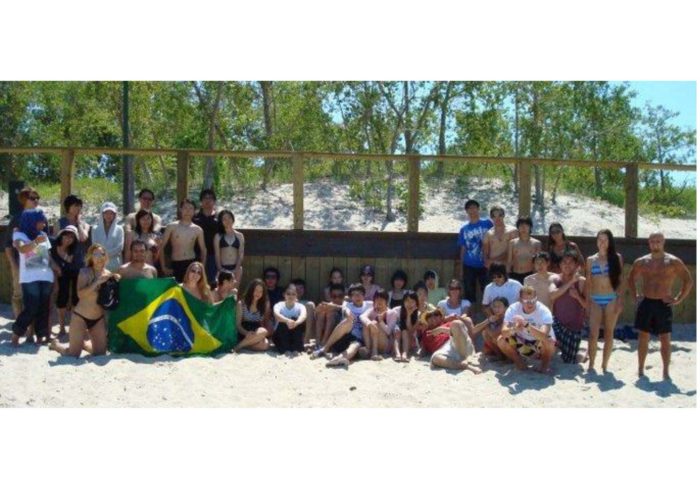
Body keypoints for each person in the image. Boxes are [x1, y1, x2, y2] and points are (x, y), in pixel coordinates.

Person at [628, 232, 694, 380]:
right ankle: (640, 369)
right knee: (643, 337)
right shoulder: (642, 261)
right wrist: (635, 295)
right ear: (649, 243)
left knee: (665, 338)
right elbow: (631, 278)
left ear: (663, 242)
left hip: (663, 304)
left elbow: (688, 280)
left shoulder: (673, 261)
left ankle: (665, 371)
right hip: (646, 302)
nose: (655, 244)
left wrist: (678, 299)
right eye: (652, 241)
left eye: (658, 241)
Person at [49, 244, 116, 357]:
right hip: (81, 317)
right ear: (90, 257)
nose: (99, 257)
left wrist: (116, 280)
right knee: (73, 354)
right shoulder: (84, 272)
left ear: (106, 256)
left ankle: (84, 344)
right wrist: (96, 282)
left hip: (98, 318)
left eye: (102, 254)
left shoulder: (108, 274)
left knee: (100, 353)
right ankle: (56, 345)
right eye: (95, 254)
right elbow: (80, 295)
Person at [11, 209, 54, 346]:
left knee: (43, 308)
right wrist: (35, 242)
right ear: (32, 221)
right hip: (29, 278)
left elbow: (48, 255)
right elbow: (22, 249)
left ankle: (41, 336)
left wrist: (56, 268)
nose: (44, 224)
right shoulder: (18, 234)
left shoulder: (43, 234)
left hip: (46, 276)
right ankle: (16, 333)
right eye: (41, 221)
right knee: (31, 308)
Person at [585, 229, 625, 373]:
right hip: (595, 299)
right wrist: (587, 303)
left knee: (609, 333)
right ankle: (591, 364)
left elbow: (620, 281)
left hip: (611, 298)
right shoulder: (590, 260)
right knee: (593, 334)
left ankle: (604, 365)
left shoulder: (616, 258)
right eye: (600, 239)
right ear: (596, 241)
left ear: (610, 241)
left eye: (605, 240)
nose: (602, 242)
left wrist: (620, 300)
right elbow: (588, 283)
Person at [310, 283, 372, 367]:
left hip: (359, 338)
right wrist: (348, 314)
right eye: (354, 294)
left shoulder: (370, 305)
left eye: (359, 294)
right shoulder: (347, 305)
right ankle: (325, 348)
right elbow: (345, 310)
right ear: (350, 297)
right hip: (344, 335)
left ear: (364, 295)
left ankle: (338, 359)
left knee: (355, 346)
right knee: (348, 321)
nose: (357, 297)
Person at [497, 285, 556, 373]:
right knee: (501, 340)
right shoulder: (513, 309)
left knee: (550, 341)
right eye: (526, 301)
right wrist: (514, 329)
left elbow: (544, 335)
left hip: (540, 346)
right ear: (520, 300)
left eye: (533, 300)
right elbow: (504, 332)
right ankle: (520, 363)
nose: (530, 303)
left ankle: (544, 366)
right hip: (522, 343)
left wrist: (526, 325)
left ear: (536, 298)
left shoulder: (544, 311)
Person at [4, 186, 40, 320]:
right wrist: (14, 265)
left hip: (38, 263)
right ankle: (19, 324)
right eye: (32, 198)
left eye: (37, 198)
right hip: (20, 264)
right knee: (18, 295)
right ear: (24, 200)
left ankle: (31, 325)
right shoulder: (17, 219)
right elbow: (8, 244)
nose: (36, 200)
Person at [550, 251, 587, 364]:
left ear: (576, 265)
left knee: (569, 360)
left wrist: (577, 297)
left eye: (571, 262)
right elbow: (552, 295)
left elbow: (587, 305)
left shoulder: (582, 281)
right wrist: (571, 282)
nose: (567, 265)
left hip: (574, 327)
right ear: (560, 265)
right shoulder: (555, 279)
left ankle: (583, 352)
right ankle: (558, 345)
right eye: (564, 262)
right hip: (557, 324)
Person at [160, 199, 207, 283]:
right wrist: (163, 267)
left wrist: (202, 267)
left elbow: (203, 249)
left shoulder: (198, 229)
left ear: (194, 211)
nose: (188, 211)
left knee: (190, 288)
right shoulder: (171, 226)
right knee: (177, 289)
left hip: (191, 263)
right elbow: (161, 247)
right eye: (185, 208)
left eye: (190, 208)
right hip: (176, 263)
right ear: (180, 209)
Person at [457, 199, 493, 303]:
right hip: (469, 265)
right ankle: (470, 312)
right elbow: (463, 248)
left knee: (488, 291)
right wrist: (461, 268)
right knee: (469, 293)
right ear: (466, 211)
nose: (472, 210)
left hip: (485, 264)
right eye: (470, 208)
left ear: (478, 209)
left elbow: (495, 239)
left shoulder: (487, 223)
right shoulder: (464, 229)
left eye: (474, 208)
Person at [50, 225, 82, 337]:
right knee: (61, 297)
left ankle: (73, 326)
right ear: (61, 235)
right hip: (61, 273)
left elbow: (76, 266)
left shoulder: (76, 249)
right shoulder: (52, 244)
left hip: (75, 271)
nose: (68, 238)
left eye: (72, 237)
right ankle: (62, 327)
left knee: (75, 298)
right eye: (66, 235)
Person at [360, 288, 399, 361]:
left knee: (375, 323)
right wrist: (370, 324)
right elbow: (362, 316)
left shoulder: (392, 313)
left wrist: (380, 321)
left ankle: (374, 352)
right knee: (366, 324)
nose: (379, 301)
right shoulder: (372, 310)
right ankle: (368, 349)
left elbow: (389, 332)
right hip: (373, 341)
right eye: (377, 299)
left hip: (386, 343)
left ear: (386, 301)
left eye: (382, 299)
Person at [235, 278, 273, 353]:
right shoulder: (241, 303)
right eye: (256, 290)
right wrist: (246, 333)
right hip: (245, 329)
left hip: (258, 330)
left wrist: (268, 333)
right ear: (251, 290)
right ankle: (240, 345)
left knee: (265, 344)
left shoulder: (265, 304)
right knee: (262, 340)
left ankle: (242, 345)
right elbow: (238, 325)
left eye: (261, 291)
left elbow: (266, 321)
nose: (258, 293)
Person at [192, 188, 220, 286]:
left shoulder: (219, 218)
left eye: (210, 198)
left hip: (214, 256)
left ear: (214, 201)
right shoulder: (194, 217)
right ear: (201, 201)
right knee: (196, 283)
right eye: (205, 198)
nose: (208, 200)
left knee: (212, 284)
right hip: (196, 255)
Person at [272, 283, 308, 355]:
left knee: (296, 320)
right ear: (284, 295)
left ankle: (296, 349)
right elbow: (277, 315)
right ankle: (285, 349)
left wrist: (296, 323)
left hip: (294, 335)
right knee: (283, 322)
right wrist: (287, 321)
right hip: (280, 335)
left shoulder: (300, 306)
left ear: (296, 295)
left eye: (293, 294)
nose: (291, 296)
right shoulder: (279, 305)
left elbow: (303, 316)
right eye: (288, 294)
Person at [213, 209, 245, 285]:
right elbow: (217, 254)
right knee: (222, 290)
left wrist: (236, 269)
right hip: (222, 268)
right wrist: (220, 269)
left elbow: (241, 254)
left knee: (234, 291)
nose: (227, 221)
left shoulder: (240, 236)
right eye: (224, 219)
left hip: (236, 268)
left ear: (233, 219)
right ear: (221, 221)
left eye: (229, 218)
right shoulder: (218, 236)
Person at [91, 201, 124, 272]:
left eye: (111, 213)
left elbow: (119, 247)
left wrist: (104, 254)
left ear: (115, 215)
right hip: (99, 263)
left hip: (115, 264)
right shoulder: (95, 229)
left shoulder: (119, 229)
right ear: (102, 214)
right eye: (106, 213)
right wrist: (101, 255)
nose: (109, 215)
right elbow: (95, 246)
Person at [57, 194, 91, 263]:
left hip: (80, 260)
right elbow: (57, 242)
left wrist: (79, 223)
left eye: (80, 206)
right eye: (76, 205)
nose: (79, 208)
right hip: (63, 259)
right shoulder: (59, 223)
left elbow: (83, 238)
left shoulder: (85, 224)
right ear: (68, 207)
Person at [507, 216, 541, 284]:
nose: (523, 228)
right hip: (515, 274)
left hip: (529, 275)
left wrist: (536, 278)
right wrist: (507, 277)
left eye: (526, 225)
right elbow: (509, 261)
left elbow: (538, 263)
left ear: (530, 227)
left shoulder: (536, 243)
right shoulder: (512, 243)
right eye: (521, 226)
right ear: (518, 228)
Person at [313, 282, 346, 347]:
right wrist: (318, 310)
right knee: (322, 312)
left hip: (339, 328)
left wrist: (335, 307)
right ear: (330, 296)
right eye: (334, 296)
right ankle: (318, 342)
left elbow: (348, 310)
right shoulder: (328, 304)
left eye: (340, 296)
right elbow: (315, 314)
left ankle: (324, 342)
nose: (337, 299)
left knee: (330, 313)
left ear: (344, 296)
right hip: (325, 326)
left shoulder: (347, 303)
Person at [395, 290, 420, 363]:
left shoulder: (418, 314)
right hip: (396, 338)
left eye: (412, 301)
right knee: (397, 331)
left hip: (410, 340)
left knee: (405, 332)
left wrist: (409, 315)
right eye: (407, 301)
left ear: (416, 303)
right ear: (403, 301)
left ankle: (405, 353)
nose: (409, 304)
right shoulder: (397, 310)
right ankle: (397, 353)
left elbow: (411, 331)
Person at [290, 278, 316, 345]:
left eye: (301, 288)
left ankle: (307, 338)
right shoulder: (286, 301)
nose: (299, 291)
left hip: (305, 326)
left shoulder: (307, 302)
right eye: (296, 289)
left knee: (310, 304)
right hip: (291, 325)